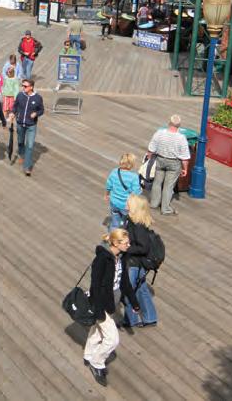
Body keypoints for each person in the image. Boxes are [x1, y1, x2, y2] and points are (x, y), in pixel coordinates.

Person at [83, 228, 140, 387]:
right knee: (112, 340)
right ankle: (97, 363)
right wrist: (98, 310)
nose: (129, 245)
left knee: (97, 331)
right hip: (100, 304)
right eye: (126, 243)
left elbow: (124, 282)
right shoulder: (101, 259)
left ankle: (88, 355)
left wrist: (134, 303)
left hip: (111, 302)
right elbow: (95, 285)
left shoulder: (121, 257)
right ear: (115, 243)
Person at [123, 195, 158, 329]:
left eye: (128, 203)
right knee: (142, 289)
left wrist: (126, 249)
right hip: (137, 263)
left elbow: (144, 247)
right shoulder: (131, 221)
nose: (125, 204)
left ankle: (131, 320)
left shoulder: (138, 226)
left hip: (134, 263)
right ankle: (150, 318)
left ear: (134, 207)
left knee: (129, 291)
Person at [147, 115, 190, 215]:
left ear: (169, 123)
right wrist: (185, 169)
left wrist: (149, 158)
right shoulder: (181, 138)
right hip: (174, 163)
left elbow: (151, 149)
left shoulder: (160, 133)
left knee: (157, 182)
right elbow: (185, 158)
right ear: (179, 125)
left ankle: (154, 203)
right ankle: (165, 209)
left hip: (160, 159)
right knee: (168, 186)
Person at [10, 79, 44, 176]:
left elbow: (41, 110)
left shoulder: (38, 98)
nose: (23, 87)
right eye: (22, 85)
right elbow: (15, 106)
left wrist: (36, 113)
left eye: (25, 86)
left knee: (29, 146)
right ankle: (21, 154)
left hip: (31, 126)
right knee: (20, 142)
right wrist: (12, 113)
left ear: (31, 87)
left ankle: (27, 167)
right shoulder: (20, 95)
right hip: (20, 124)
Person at [104, 153, 142, 229]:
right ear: (131, 164)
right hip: (126, 205)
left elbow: (108, 185)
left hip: (114, 202)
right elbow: (136, 193)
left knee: (114, 223)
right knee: (124, 224)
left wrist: (106, 194)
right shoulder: (134, 177)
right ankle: (122, 232)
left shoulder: (114, 172)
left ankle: (114, 234)